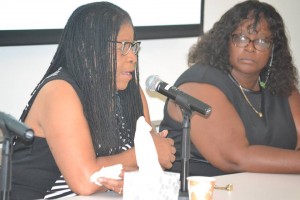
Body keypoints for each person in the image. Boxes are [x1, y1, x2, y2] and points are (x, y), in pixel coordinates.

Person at [11, 2, 176, 199]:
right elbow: (85, 181)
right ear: (87, 48)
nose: (132, 56)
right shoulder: (60, 92)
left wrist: (145, 163)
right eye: (122, 46)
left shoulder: (132, 92)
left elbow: (150, 170)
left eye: (132, 46)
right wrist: (146, 152)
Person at [160, 0, 300, 177]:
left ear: (273, 49)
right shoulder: (200, 84)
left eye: (262, 41)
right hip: (205, 190)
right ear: (225, 41)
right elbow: (235, 158)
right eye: (241, 38)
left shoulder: (281, 85)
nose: (250, 47)